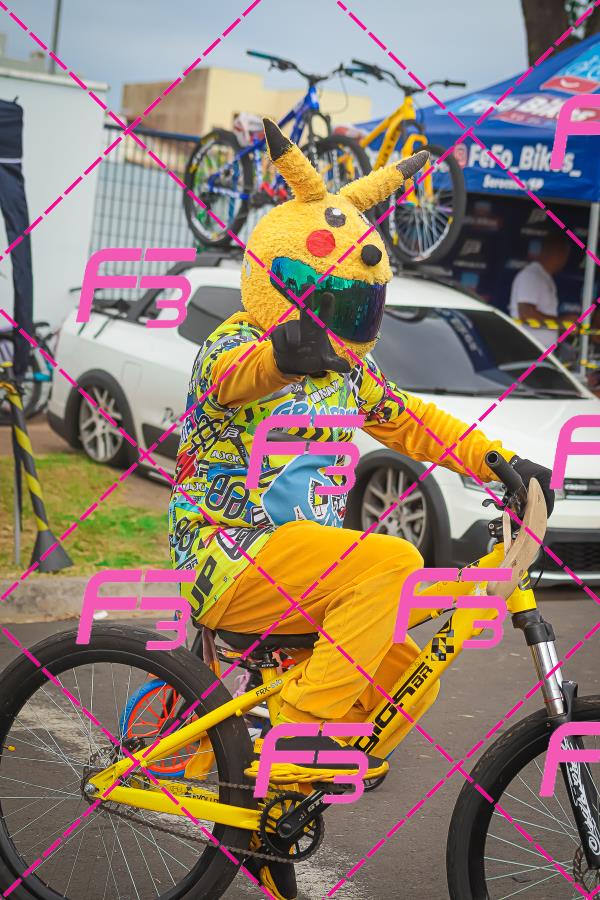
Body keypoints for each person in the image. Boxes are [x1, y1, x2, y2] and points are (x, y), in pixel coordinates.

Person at [169, 119, 554, 899]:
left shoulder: (348, 371)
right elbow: (237, 378)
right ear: (290, 286)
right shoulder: (235, 344)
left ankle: (275, 811)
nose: (351, 324)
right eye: (338, 304)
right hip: (229, 555)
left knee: (408, 668)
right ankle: (286, 762)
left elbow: (410, 420)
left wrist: (498, 461)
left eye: (361, 307)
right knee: (392, 560)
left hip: (300, 571)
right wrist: (283, 354)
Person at [508, 231, 570, 348]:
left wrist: (566, 326)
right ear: (558, 254)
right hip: (528, 349)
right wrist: (562, 323)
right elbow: (526, 315)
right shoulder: (531, 275)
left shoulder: (546, 278)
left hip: (541, 350)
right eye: (565, 255)